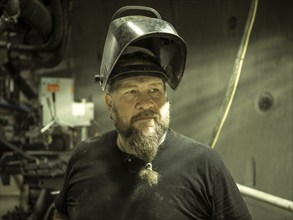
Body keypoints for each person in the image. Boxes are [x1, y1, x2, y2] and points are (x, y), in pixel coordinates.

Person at [53, 6, 252, 220]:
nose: (146, 103)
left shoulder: (204, 165)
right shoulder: (85, 156)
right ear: (110, 104)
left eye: (154, 90)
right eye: (131, 92)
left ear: (166, 98)